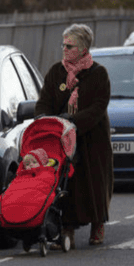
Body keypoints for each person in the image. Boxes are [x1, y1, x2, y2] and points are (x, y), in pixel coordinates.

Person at [35, 23, 113, 246]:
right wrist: (46, 121)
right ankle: (67, 228)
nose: (65, 48)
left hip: (92, 138)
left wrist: (73, 122)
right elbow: (43, 103)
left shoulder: (99, 73)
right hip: (61, 138)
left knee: (94, 183)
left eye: (70, 45)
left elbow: (99, 106)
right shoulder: (55, 72)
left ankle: (98, 223)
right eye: (64, 44)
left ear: (83, 48)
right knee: (68, 184)